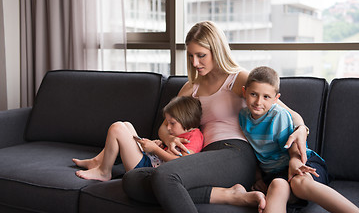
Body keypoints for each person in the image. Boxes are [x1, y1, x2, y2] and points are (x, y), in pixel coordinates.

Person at [122, 21, 310, 213]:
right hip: (203, 157)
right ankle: (231, 196)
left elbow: (290, 114)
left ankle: (231, 193)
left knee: (163, 176)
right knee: (132, 180)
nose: (195, 62)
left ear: (217, 50)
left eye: (201, 55)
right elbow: (164, 127)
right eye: (191, 56)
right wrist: (170, 139)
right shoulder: (190, 88)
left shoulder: (237, 79)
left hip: (236, 154)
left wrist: (302, 129)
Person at [239, 66, 359, 213]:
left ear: (276, 99)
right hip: (276, 175)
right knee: (277, 185)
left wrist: (295, 162)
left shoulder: (278, 115)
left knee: (299, 183)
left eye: (266, 97)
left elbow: (292, 144)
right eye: (253, 94)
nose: (258, 102)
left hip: (302, 161)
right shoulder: (243, 117)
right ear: (244, 92)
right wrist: (258, 178)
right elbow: (253, 152)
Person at [73, 96, 203, 181]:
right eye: (167, 122)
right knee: (126, 125)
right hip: (151, 159)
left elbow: (182, 163)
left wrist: (156, 150)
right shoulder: (181, 132)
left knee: (117, 128)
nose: (168, 128)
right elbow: (170, 151)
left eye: (172, 123)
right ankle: (96, 162)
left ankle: (103, 172)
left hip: (148, 170)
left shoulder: (194, 137)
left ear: (188, 120)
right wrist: (158, 145)